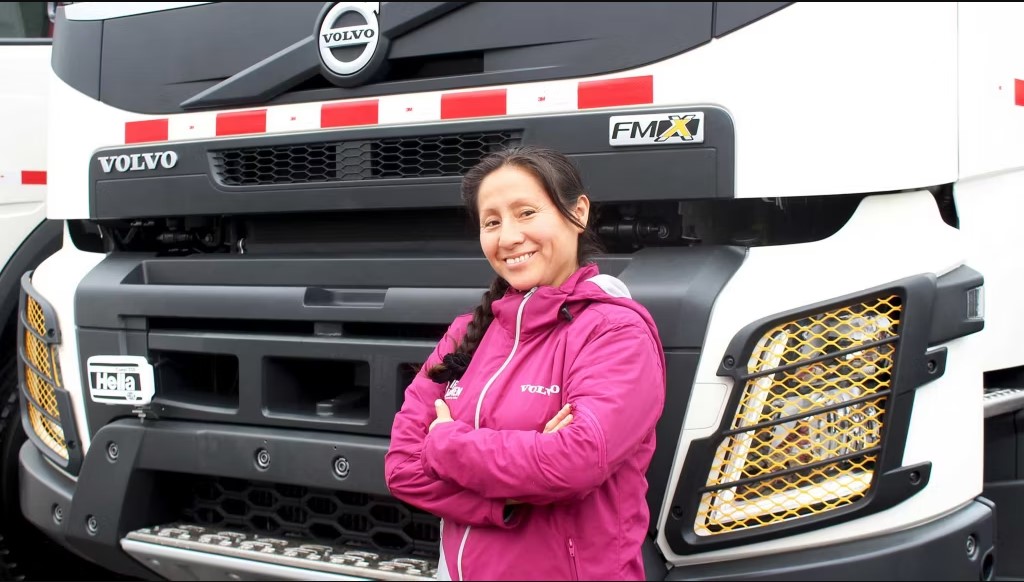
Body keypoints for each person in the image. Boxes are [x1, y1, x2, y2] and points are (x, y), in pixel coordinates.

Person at [384, 146, 666, 581]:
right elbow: (402, 468)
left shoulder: (615, 332)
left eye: (527, 213)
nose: (509, 237)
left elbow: (576, 462)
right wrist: (509, 498)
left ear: (578, 213)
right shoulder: (465, 333)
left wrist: (445, 444)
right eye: (492, 222)